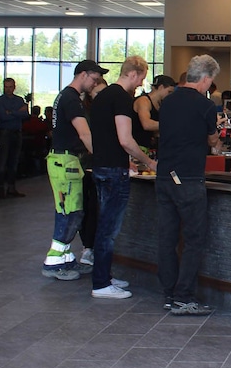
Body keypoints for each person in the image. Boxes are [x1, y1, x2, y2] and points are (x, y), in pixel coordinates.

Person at [156, 54, 222, 316]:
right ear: (205, 79)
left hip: (164, 175)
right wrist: (215, 133)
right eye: (211, 81)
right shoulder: (205, 105)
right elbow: (212, 140)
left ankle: (169, 294)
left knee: (167, 238)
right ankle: (184, 298)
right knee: (194, 239)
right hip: (189, 178)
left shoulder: (167, 101)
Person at [89, 56, 157, 299]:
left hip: (100, 167)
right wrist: (149, 162)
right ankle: (101, 283)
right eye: (141, 78)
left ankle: (104, 275)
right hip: (113, 171)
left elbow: (104, 137)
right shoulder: (121, 98)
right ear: (133, 73)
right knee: (108, 230)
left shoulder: (101, 97)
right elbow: (125, 139)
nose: (141, 84)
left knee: (104, 225)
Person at [41, 59, 107, 282]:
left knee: (72, 210)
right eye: (94, 79)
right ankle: (53, 262)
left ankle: (66, 258)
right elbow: (84, 133)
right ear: (83, 74)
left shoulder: (65, 96)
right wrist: (101, 157)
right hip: (66, 162)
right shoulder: (72, 99)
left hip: (65, 161)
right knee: (68, 212)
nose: (95, 84)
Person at [78, 76, 107, 271]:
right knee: (87, 207)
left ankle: (90, 246)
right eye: (97, 93)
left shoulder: (101, 110)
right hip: (86, 164)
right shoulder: (84, 112)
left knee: (94, 207)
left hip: (96, 163)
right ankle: (88, 247)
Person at [0, 77, 30, 198]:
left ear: (14, 87)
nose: (8, 89)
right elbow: (2, 116)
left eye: (10, 87)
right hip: (4, 132)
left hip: (17, 132)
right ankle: (1, 188)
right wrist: (17, 112)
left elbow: (25, 115)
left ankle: (11, 187)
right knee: (2, 161)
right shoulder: (0, 100)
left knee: (14, 161)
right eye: (6, 87)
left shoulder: (19, 99)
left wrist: (11, 112)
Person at [133, 74, 176, 151]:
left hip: (150, 147)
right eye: (169, 92)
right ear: (161, 87)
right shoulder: (143, 101)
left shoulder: (160, 105)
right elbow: (147, 124)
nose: (170, 96)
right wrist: (172, 125)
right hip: (138, 147)